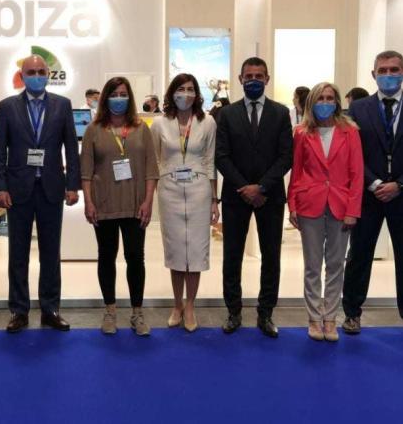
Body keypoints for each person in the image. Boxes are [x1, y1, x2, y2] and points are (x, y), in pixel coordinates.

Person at [0, 54, 80, 333]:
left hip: (52, 188)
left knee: (50, 253)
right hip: (18, 190)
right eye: (31, 72)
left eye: (42, 71)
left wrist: (72, 185)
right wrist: (0, 187)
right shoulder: (7, 107)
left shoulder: (62, 105)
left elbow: (71, 148)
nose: (37, 76)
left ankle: (50, 309)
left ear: (49, 75)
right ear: (22, 76)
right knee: (18, 253)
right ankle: (19, 310)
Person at [215, 56, 293, 338]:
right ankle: (233, 312)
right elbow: (221, 156)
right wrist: (245, 188)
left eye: (259, 76)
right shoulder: (226, 114)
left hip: (270, 196)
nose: (254, 80)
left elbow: (286, 156)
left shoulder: (281, 113)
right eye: (249, 76)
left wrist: (261, 187)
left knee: (271, 256)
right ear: (240, 79)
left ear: (267, 79)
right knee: (232, 256)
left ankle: (266, 313)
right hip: (236, 196)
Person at [81, 77, 158, 336]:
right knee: (106, 256)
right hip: (103, 204)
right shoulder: (93, 129)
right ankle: (110, 311)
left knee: (135, 257)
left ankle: (137, 313)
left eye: (123, 94)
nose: (119, 98)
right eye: (114, 94)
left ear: (130, 97)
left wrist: (148, 201)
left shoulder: (141, 128)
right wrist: (88, 201)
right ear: (105, 98)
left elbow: (151, 169)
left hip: (135, 205)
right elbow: (86, 171)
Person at [288, 82, 363, 342]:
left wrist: (353, 209)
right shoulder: (301, 133)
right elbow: (296, 171)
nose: (325, 103)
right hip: (309, 203)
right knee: (312, 265)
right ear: (311, 102)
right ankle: (313, 317)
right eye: (320, 98)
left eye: (330, 98)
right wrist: (292, 204)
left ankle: (330, 318)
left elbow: (357, 173)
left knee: (335, 265)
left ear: (337, 102)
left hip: (341, 205)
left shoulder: (350, 132)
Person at [342, 50, 403, 334]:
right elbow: (351, 154)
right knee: (359, 255)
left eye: (394, 70)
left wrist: (398, 184)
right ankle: (352, 313)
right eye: (383, 70)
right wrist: (374, 183)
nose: (388, 75)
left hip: (401, 194)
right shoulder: (358, 109)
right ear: (373, 74)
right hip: (368, 195)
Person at [152, 74, 218, 332]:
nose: (186, 94)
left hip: (199, 189)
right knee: (176, 249)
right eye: (181, 89)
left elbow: (210, 161)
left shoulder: (207, 122)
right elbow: (156, 160)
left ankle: (190, 305)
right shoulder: (159, 123)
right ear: (172, 92)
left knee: (196, 250)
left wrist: (214, 199)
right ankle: (176, 304)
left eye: (190, 89)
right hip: (169, 190)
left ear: (197, 94)